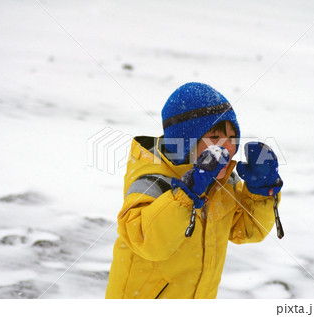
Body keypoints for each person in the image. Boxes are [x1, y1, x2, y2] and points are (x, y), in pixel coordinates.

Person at [105, 82, 283, 299]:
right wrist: (185, 195)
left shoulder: (222, 185)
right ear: (185, 143)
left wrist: (261, 192)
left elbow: (246, 230)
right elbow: (148, 242)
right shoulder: (152, 182)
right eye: (215, 138)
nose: (227, 147)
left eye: (232, 138)